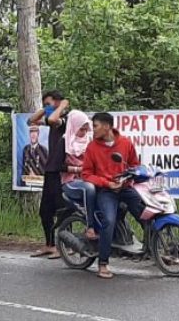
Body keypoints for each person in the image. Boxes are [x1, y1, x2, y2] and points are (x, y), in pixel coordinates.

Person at [82, 112, 145, 279]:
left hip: (125, 188)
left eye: (95, 126)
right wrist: (106, 183)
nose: (92, 130)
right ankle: (103, 263)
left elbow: (134, 165)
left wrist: (128, 177)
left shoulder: (125, 143)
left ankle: (155, 250)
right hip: (106, 191)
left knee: (145, 213)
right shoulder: (92, 147)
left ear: (107, 126)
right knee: (108, 221)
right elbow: (87, 174)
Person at [27, 90, 69, 259]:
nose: (47, 107)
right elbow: (31, 121)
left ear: (58, 102)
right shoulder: (51, 118)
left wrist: (62, 106)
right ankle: (49, 245)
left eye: (49, 103)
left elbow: (53, 119)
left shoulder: (65, 120)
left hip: (60, 170)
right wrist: (46, 108)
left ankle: (65, 246)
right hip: (50, 171)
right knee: (45, 211)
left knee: (62, 210)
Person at [60, 110, 98, 240]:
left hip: (87, 177)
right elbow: (58, 166)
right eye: (81, 130)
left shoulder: (89, 142)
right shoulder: (64, 142)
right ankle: (90, 227)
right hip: (70, 182)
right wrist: (78, 169)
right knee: (89, 188)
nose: (84, 133)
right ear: (74, 127)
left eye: (86, 130)